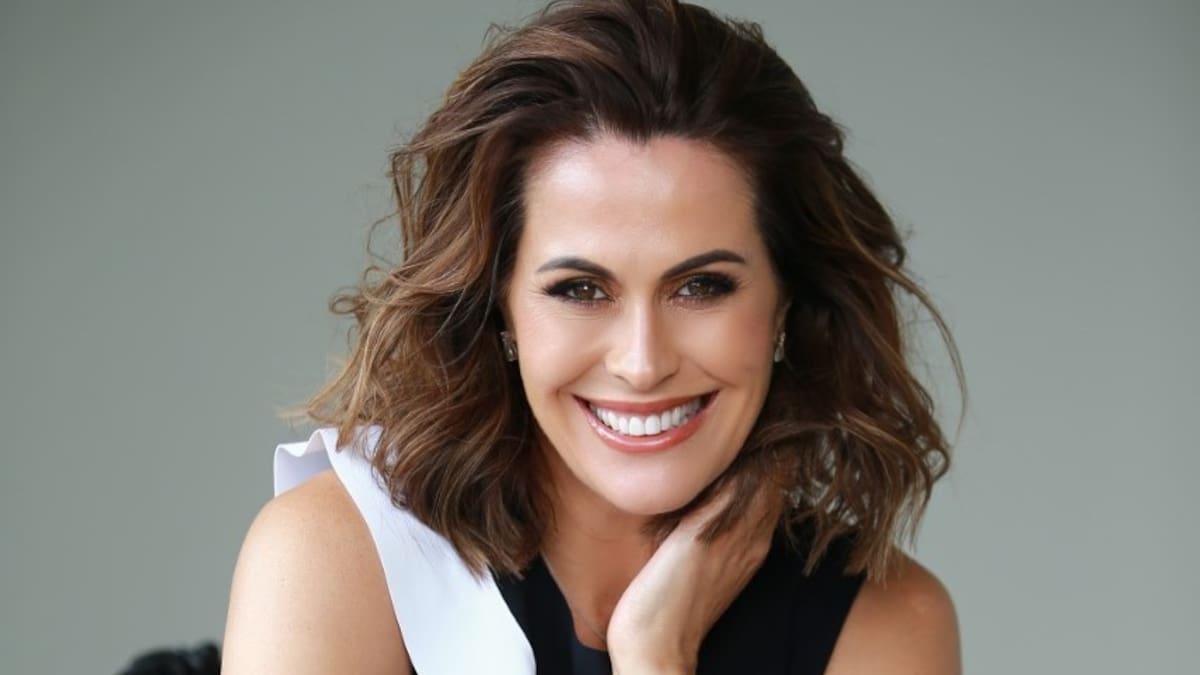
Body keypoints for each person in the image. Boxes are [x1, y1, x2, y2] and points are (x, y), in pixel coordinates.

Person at [222, 1, 966, 673]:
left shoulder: (886, 625)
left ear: (785, 305)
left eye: (701, 286)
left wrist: (655, 654)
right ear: (501, 310)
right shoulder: (337, 557)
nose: (642, 363)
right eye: (580, 290)